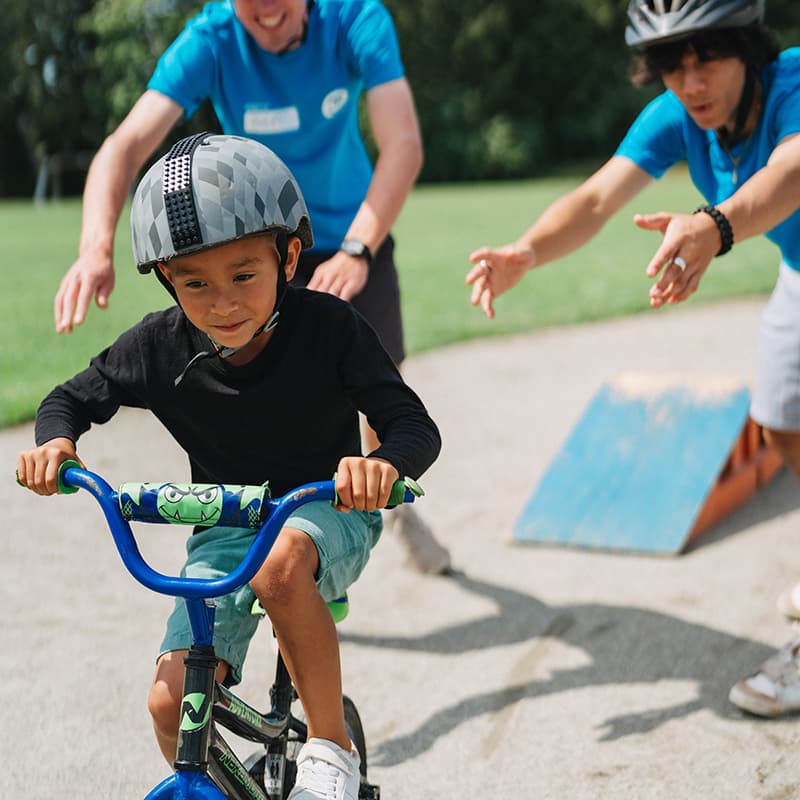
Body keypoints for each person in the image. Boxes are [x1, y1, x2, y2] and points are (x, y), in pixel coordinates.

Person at [18, 133, 441, 799]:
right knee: (168, 703)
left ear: (290, 256)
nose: (223, 303)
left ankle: (331, 749)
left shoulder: (330, 329)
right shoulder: (158, 346)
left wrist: (381, 464)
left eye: (244, 275)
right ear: (166, 279)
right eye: (195, 283)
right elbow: (69, 398)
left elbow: (414, 426)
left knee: (280, 568)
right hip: (224, 529)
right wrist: (56, 443)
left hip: (326, 508)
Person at [465, 0, 800, 717]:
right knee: (780, 420)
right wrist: (526, 252)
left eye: (706, 57)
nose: (690, 81)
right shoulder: (679, 118)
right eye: (672, 65)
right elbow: (594, 200)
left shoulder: (794, 83)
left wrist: (713, 225)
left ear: (747, 47)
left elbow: (792, 173)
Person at [53, 0, 450, 574]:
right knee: (256, 367)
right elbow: (125, 145)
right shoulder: (212, 39)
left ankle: (388, 506)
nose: (264, 8)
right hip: (244, 240)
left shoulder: (356, 20)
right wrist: (95, 249)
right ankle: (273, 539)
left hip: (353, 230)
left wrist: (359, 248)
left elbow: (403, 143)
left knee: (372, 372)